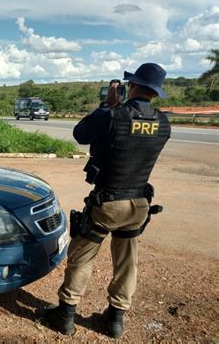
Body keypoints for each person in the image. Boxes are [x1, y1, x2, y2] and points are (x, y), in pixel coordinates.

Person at [42, 63, 171, 338]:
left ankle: (65, 315)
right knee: (127, 262)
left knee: (82, 257)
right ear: (156, 93)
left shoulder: (114, 115)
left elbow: (80, 134)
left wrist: (107, 105)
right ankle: (115, 320)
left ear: (132, 85)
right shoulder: (163, 123)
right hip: (139, 204)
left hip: (108, 203)